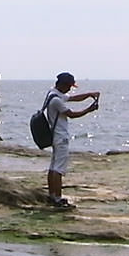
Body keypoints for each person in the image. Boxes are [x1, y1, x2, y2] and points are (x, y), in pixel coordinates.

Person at [42, 72, 100, 209]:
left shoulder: (52, 94)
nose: (70, 89)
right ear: (63, 85)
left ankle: (52, 196)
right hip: (60, 137)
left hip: (55, 136)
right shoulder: (56, 100)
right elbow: (72, 114)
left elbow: (73, 98)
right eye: (69, 86)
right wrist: (89, 109)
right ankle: (57, 198)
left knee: (53, 167)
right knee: (59, 169)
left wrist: (89, 95)